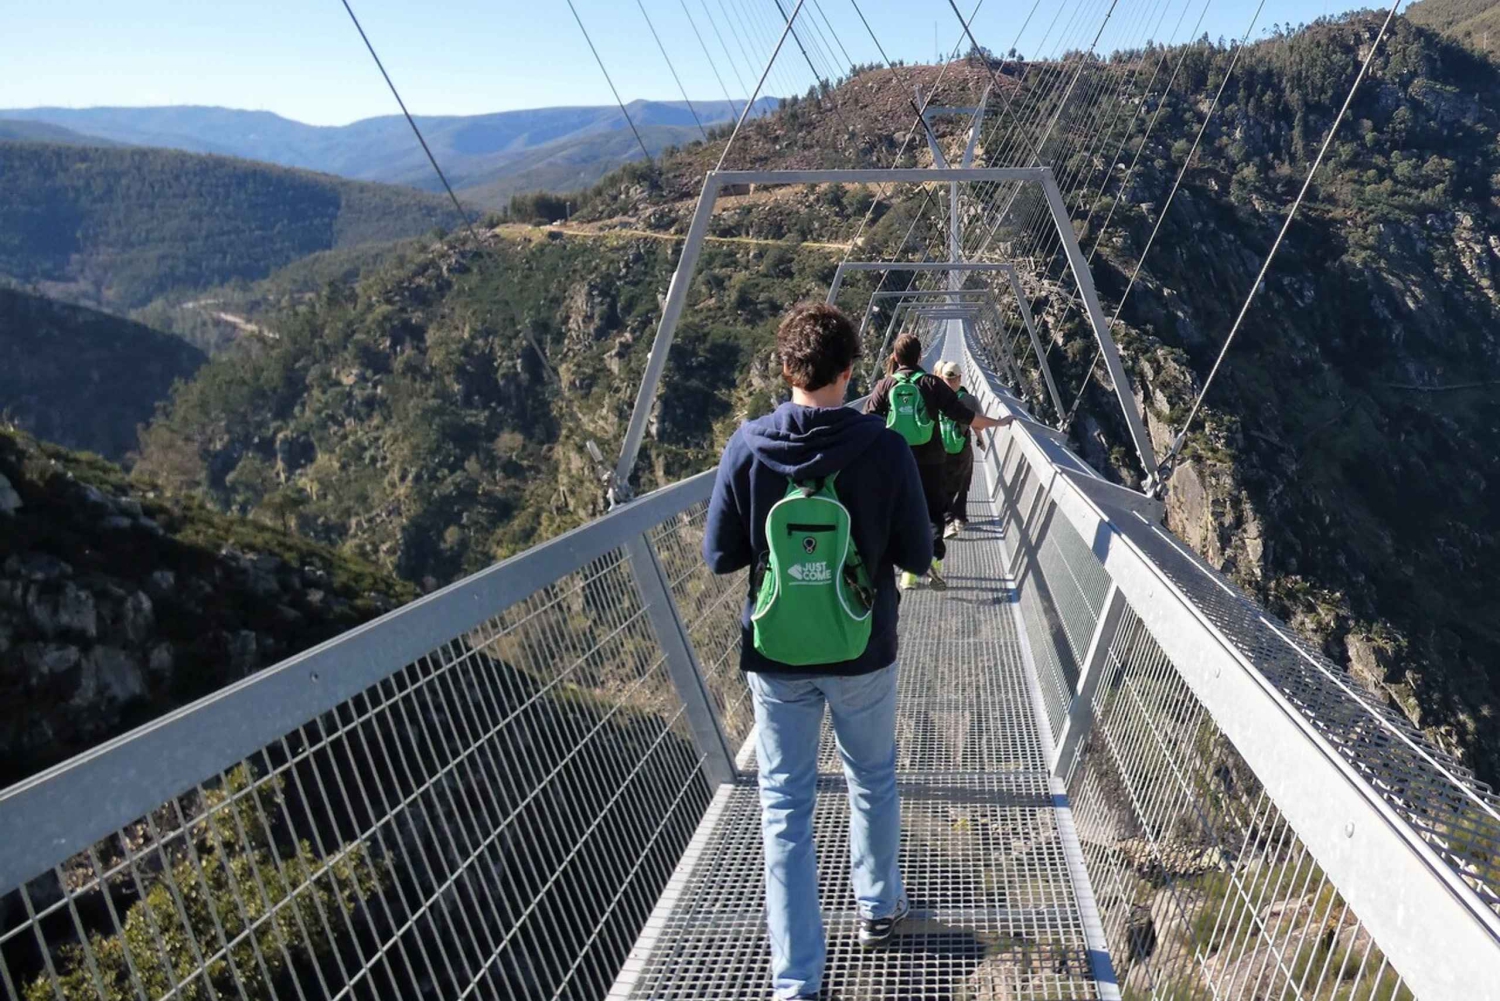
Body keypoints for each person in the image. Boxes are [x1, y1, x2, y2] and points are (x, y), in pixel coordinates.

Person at [703, 302, 933, 1000]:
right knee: (871, 776)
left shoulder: (748, 445)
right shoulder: (886, 446)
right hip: (863, 647)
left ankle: (797, 980)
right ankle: (878, 907)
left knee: (785, 807)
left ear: (785, 367)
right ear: (851, 369)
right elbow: (918, 550)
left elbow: (720, 554)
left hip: (777, 657)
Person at [864, 335, 1009, 590]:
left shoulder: (885, 385)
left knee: (904, 512)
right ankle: (934, 559)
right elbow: (965, 416)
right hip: (932, 461)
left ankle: (908, 573)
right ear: (921, 357)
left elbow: (867, 422)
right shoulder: (932, 383)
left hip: (898, 459)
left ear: (895, 358)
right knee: (934, 512)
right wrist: (999, 423)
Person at [935, 360, 984, 538]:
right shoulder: (968, 398)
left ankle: (947, 519)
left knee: (944, 482)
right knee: (964, 480)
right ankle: (959, 518)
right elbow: (978, 423)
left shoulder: (935, 396)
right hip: (963, 446)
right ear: (960, 378)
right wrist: (981, 440)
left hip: (941, 448)